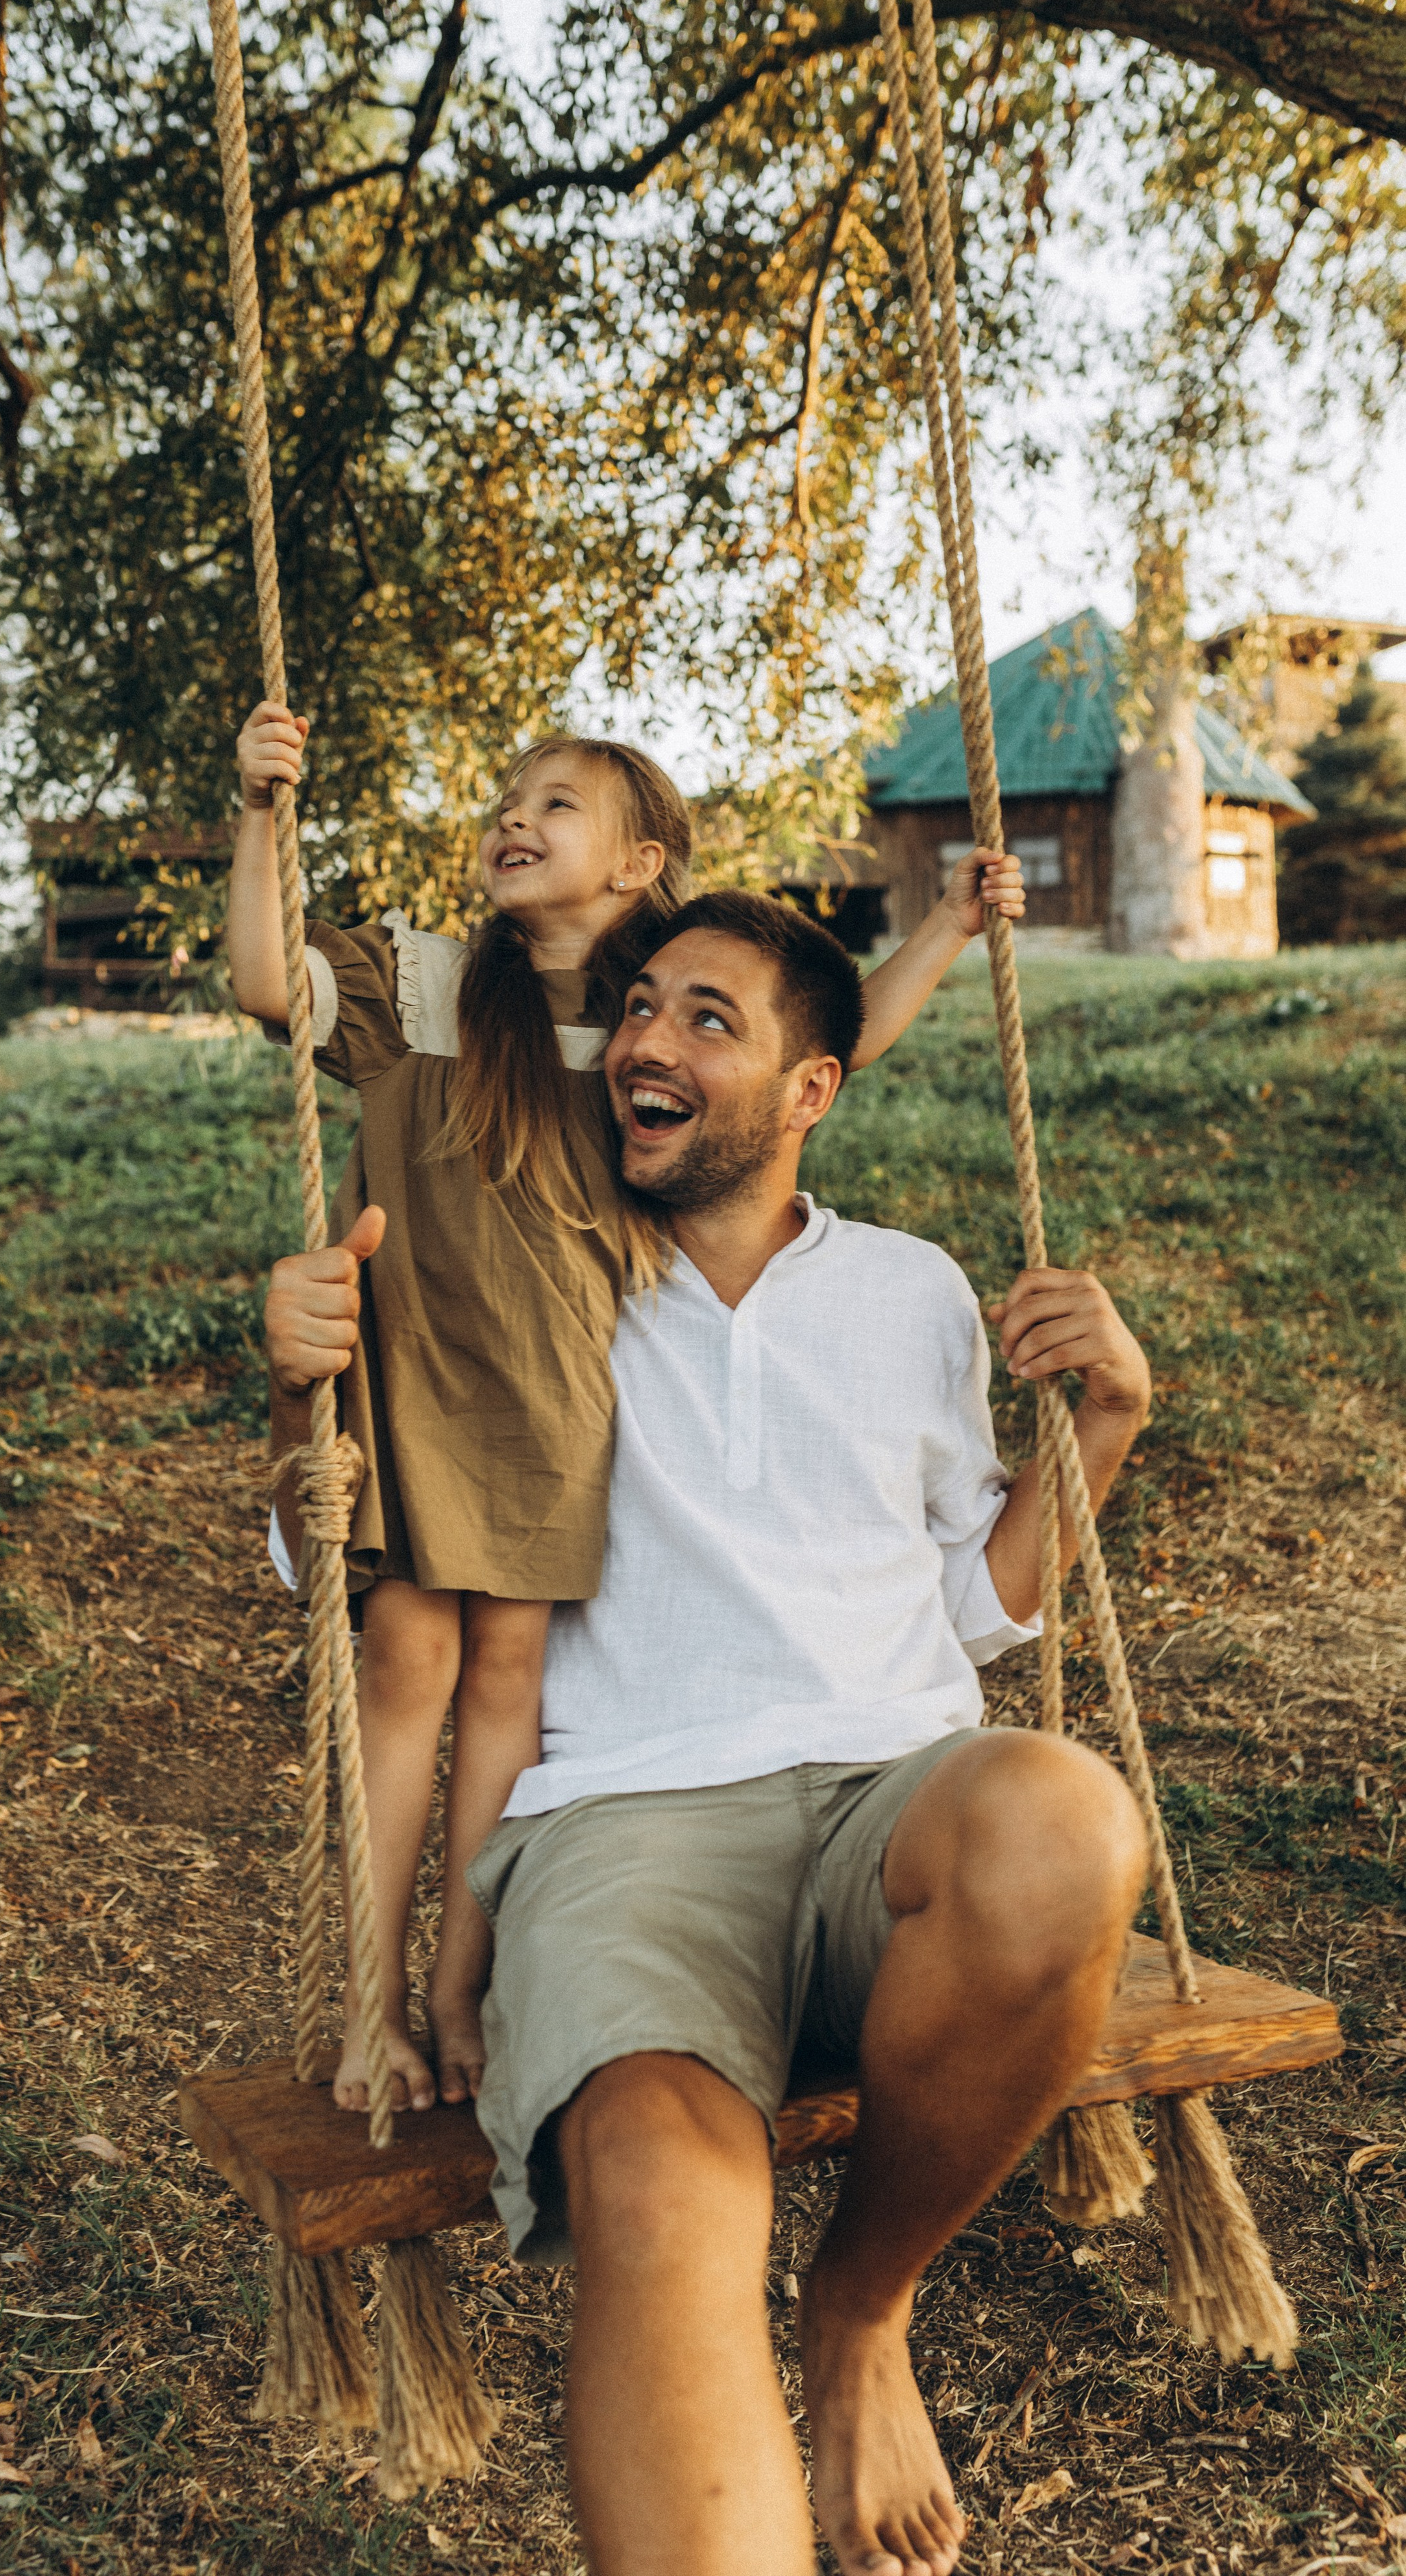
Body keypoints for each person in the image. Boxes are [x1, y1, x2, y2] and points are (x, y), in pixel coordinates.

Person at [265, 889, 1152, 2576]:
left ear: (810, 1089)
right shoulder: (525, 1259)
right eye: (641, 1010)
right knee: (661, 2194)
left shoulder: (910, 1290)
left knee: (1067, 1821)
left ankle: (861, 2309)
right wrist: (298, 1394)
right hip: (622, 1824)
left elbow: (979, 1605)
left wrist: (1099, 1424)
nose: (646, 1047)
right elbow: (363, 1566)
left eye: (705, 1021)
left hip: (894, 1791)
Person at [232, 702, 1024, 2117]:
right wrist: (258, 816)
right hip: (413, 1379)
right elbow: (261, 983)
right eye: (509, 797)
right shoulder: (421, 983)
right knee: (403, 1670)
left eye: (559, 805)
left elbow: (823, 1048)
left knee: (506, 1696)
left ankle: (453, 1985)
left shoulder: (634, 1032)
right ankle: (364, 1997)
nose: (515, 819)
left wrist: (949, 930)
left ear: (636, 862)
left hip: (551, 1406)